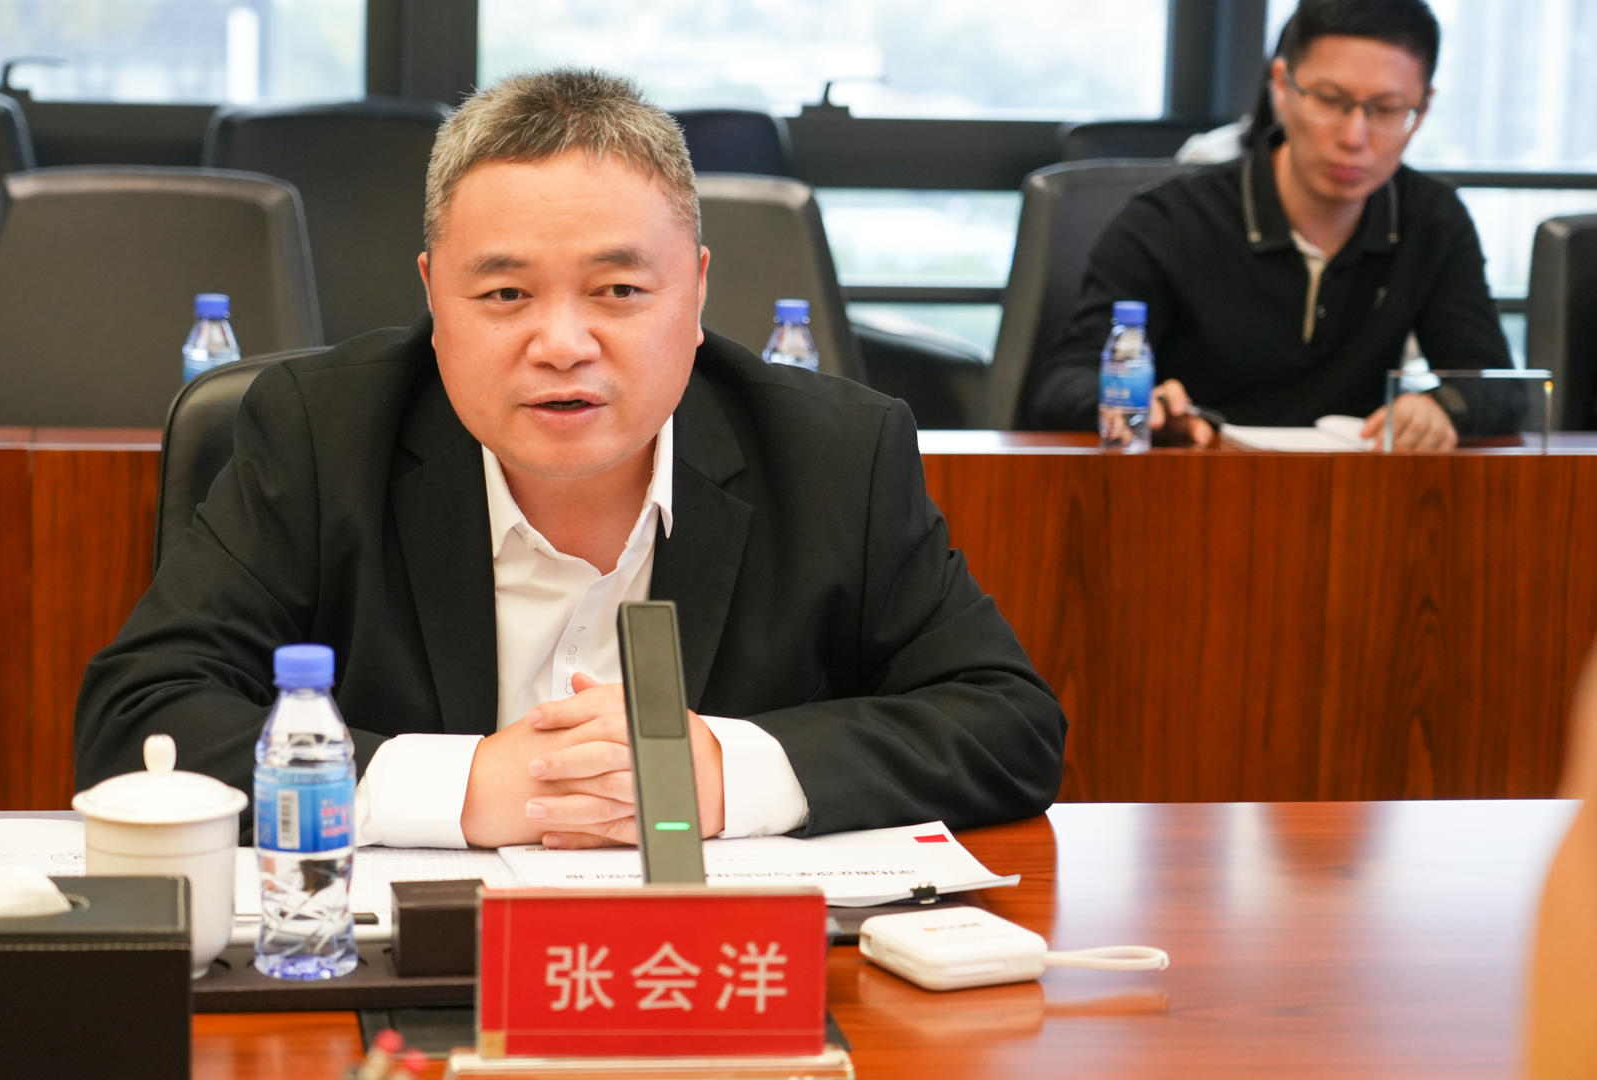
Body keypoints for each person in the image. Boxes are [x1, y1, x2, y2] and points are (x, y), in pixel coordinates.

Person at [73, 70, 1066, 849]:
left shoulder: (832, 452)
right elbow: (137, 722)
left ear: (695, 292)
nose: (561, 344)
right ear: (434, 296)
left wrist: (723, 772)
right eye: (504, 295)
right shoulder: (322, 433)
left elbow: (1006, 724)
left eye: (618, 292)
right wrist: (467, 787)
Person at [1025, 0, 1514, 450]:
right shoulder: (1167, 221)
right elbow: (1065, 381)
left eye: (1386, 110)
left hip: (1356, 495)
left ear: (1422, 109)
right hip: (1189, 484)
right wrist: (1142, 405)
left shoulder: (1432, 220)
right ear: (1281, 86)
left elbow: (1498, 386)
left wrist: (1441, 407)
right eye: (1331, 101)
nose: (1354, 136)